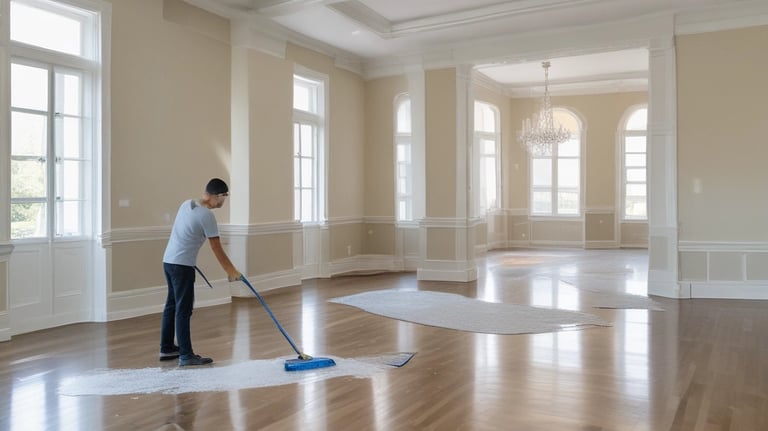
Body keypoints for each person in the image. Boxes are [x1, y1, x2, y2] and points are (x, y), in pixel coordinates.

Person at [160, 178, 241, 366]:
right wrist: (232, 271)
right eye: (224, 198)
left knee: (172, 305)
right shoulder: (207, 216)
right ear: (217, 196)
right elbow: (216, 248)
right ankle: (186, 355)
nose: (223, 202)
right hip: (182, 266)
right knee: (183, 309)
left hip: (169, 261)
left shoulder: (186, 204)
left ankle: (166, 348)